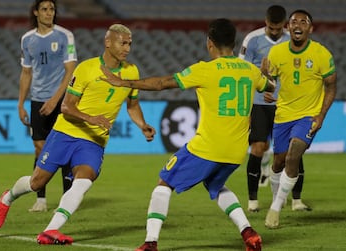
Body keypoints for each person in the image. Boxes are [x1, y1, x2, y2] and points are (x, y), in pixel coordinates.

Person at [101, 18, 276, 251]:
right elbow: (270, 86)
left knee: (164, 182)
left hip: (208, 147)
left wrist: (124, 82)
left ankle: (150, 243)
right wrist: (268, 77)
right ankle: (249, 233)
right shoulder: (250, 70)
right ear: (233, 42)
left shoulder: (204, 69)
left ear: (209, 43)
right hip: (235, 151)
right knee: (215, 185)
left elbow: (162, 83)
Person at [0, 23, 156, 244]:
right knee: (37, 183)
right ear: (108, 42)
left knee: (84, 179)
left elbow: (132, 104)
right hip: (66, 133)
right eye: (122, 42)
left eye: (129, 43)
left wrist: (142, 124)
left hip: (94, 141)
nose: (127, 48)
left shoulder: (132, 71)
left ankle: (50, 230)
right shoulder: (87, 69)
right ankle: (8, 197)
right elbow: (66, 107)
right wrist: (92, 118)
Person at [264, 9, 337, 229]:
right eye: (294, 21)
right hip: (283, 115)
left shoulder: (321, 54)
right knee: (277, 161)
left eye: (303, 22)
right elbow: (270, 80)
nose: (298, 25)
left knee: (294, 153)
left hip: (308, 116)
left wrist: (321, 114)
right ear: (288, 27)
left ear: (310, 28)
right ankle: (280, 196)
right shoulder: (276, 54)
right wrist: (267, 86)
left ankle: (275, 208)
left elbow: (331, 86)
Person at [239, 5, 310, 212]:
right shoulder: (252, 39)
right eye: (271, 28)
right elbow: (243, 72)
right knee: (258, 147)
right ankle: (253, 200)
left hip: (286, 104)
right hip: (260, 104)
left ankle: (296, 200)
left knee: (294, 149)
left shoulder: (292, 40)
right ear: (266, 22)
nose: (275, 32)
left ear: (284, 25)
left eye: (279, 29)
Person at [18, 0, 77, 212]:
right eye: (44, 9)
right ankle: (41, 200)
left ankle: (67, 200)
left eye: (52, 9)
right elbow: (26, 73)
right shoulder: (27, 39)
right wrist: (21, 103)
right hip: (37, 100)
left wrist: (54, 100)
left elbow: (70, 70)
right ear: (36, 12)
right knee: (39, 148)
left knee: (65, 147)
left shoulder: (64, 36)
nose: (49, 13)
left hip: (61, 101)